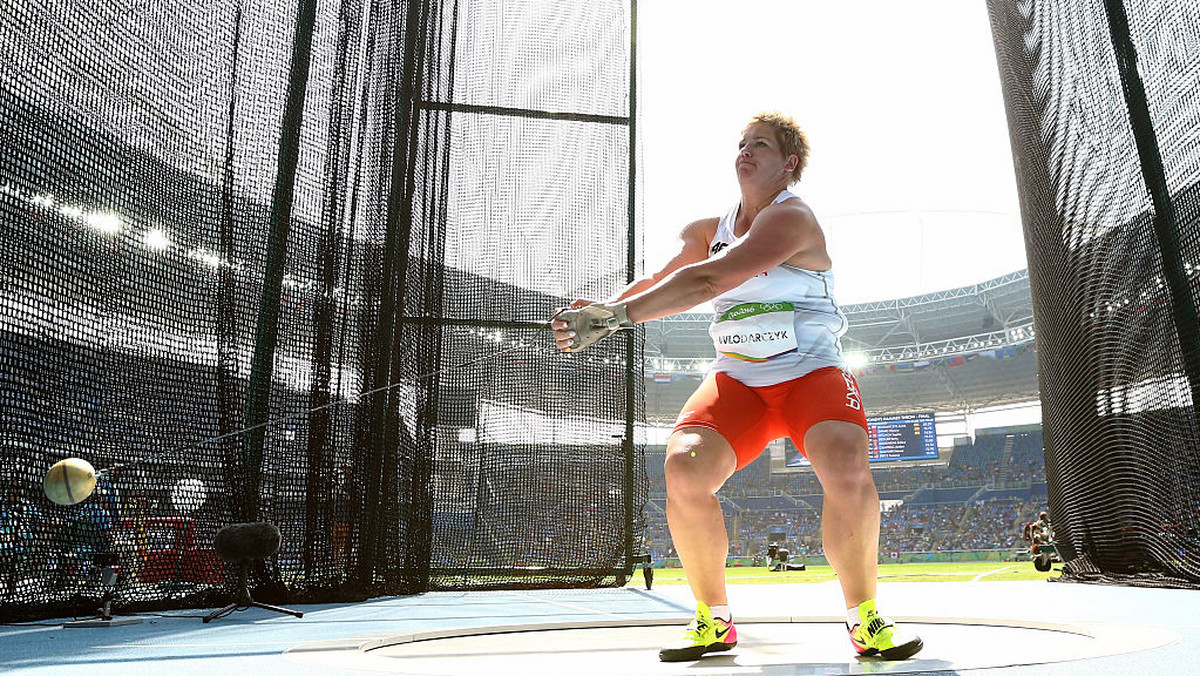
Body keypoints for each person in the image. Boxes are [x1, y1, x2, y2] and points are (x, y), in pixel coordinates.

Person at [552, 112, 923, 662]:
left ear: (788, 164)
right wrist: (608, 306)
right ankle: (713, 620)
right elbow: (664, 277)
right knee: (684, 468)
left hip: (809, 372)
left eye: (762, 146)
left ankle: (864, 618)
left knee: (845, 464)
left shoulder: (792, 218)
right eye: (742, 144)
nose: (745, 152)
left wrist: (615, 319)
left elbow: (710, 280)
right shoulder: (706, 229)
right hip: (740, 379)